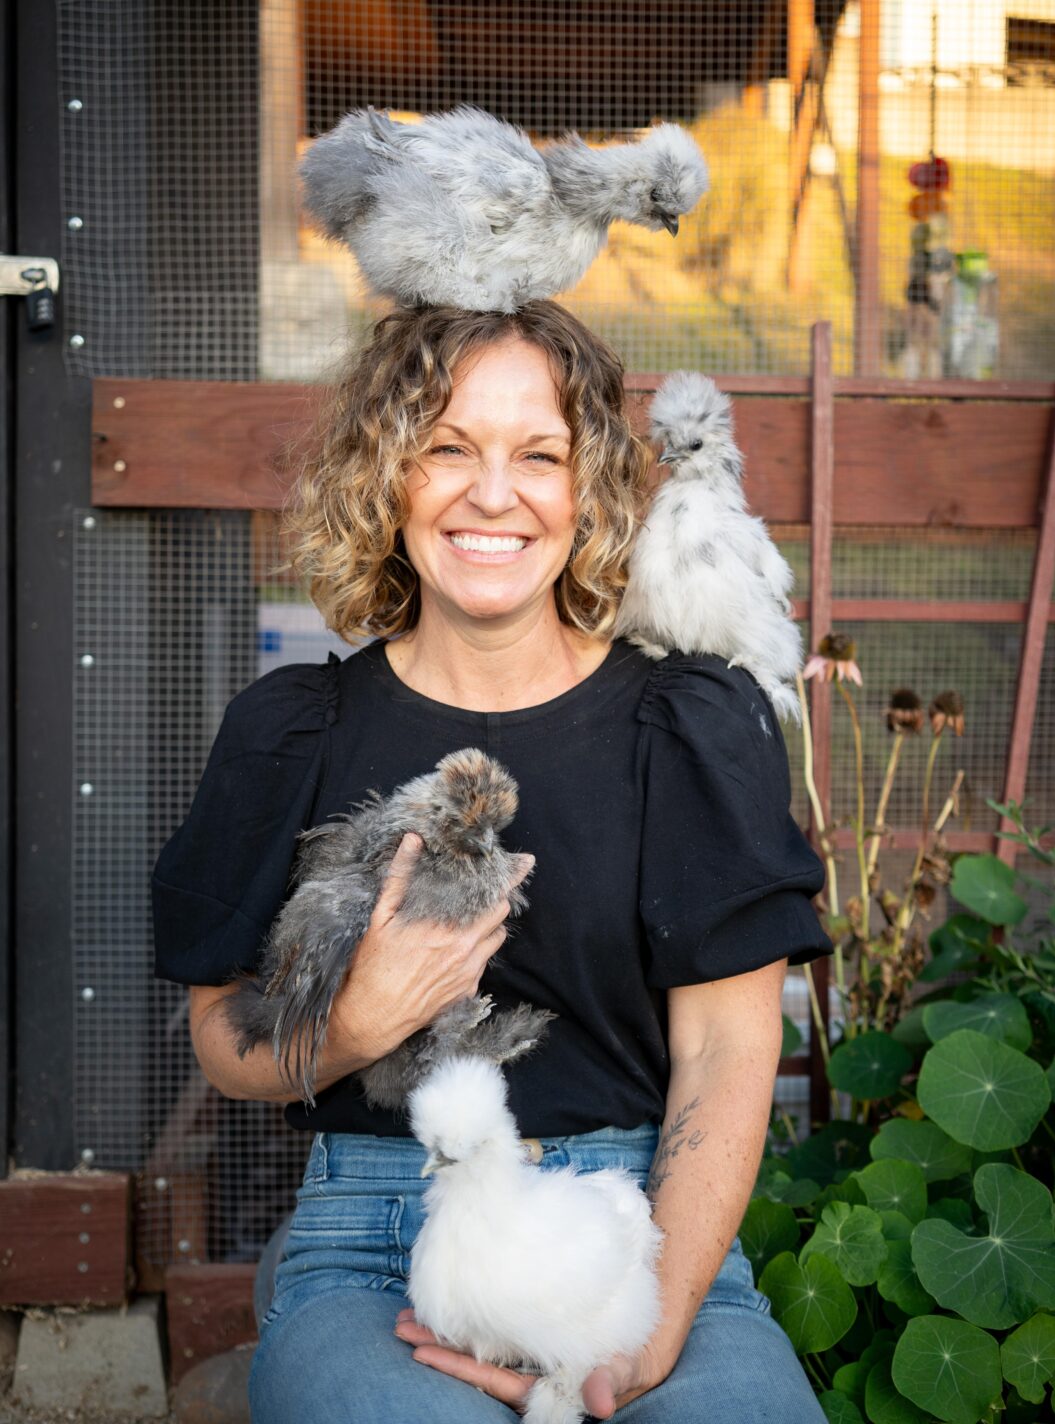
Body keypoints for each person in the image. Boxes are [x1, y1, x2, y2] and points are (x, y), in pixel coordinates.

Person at [152, 299, 832, 1423]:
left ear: (591, 486)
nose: (493, 492)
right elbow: (222, 1032)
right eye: (448, 447)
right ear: (386, 472)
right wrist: (349, 1026)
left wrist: (647, 1331)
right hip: (382, 1233)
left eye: (540, 454)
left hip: (634, 1223)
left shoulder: (688, 726)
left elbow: (723, 1051)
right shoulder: (292, 731)